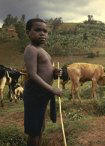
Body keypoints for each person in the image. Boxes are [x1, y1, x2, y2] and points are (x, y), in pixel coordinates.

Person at [23, 18, 62, 146]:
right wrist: (52, 89)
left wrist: (55, 72)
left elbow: (45, 70)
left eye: (45, 31)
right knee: (34, 130)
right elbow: (33, 75)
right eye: (38, 30)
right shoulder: (31, 49)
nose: (42, 33)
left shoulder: (43, 51)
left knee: (40, 127)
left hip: (42, 94)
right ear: (28, 32)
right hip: (35, 94)